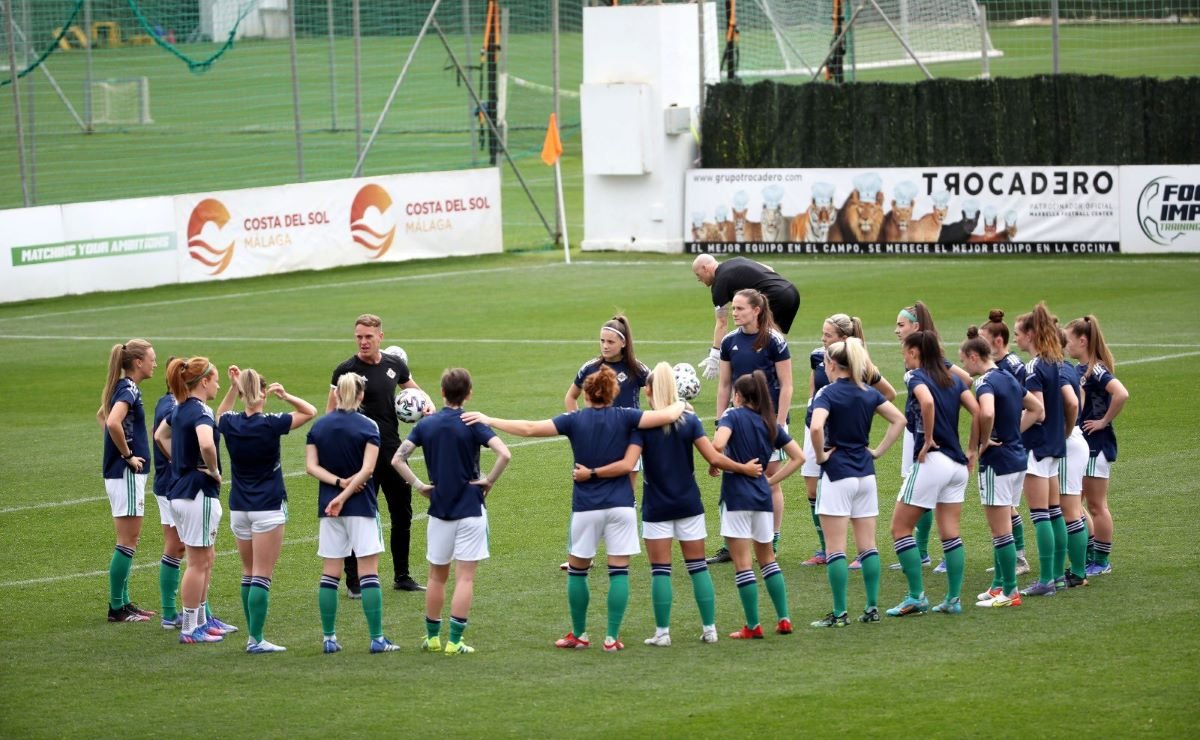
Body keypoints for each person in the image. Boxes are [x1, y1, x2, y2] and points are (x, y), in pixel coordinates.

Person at [462, 365, 687, 652]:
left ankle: (579, 635)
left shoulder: (574, 419)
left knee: (578, 571)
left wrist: (488, 418)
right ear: (612, 393)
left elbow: (529, 428)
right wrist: (680, 401)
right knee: (619, 571)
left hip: (586, 507)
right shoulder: (627, 417)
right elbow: (668, 415)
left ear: (588, 394)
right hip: (621, 506)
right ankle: (611, 638)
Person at [573, 362, 763, 646]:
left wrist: (593, 473)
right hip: (688, 502)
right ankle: (710, 628)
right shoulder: (689, 420)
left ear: (647, 391)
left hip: (657, 505)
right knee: (698, 566)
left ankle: (663, 633)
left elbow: (627, 464)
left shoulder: (643, 426)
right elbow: (714, 457)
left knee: (661, 570)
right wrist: (743, 468)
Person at [391, 368, 512, 656]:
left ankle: (432, 638)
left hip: (439, 508)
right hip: (471, 507)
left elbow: (398, 459)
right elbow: (505, 454)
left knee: (436, 576)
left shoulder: (426, 425)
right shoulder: (472, 422)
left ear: (442, 393)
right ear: (468, 394)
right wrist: (489, 481)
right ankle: (455, 641)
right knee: (465, 577)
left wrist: (420, 486)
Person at [329, 314, 430, 594]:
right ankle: (354, 581)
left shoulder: (394, 364)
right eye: (359, 336)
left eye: (368, 337)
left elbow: (417, 393)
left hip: (392, 452)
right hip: (359, 458)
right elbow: (330, 414)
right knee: (359, 517)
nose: (363, 342)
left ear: (380, 337)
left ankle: (402, 576)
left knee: (402, 514)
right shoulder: (345, 371)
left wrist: (428, 408)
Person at [216, 366, 315, 653]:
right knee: (261, 575)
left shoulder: (231, 423)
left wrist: (234, 388)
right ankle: (256, 639)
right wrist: (286, 396)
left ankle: (253, 635)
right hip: (268, 507)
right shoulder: (271, 423)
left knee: (248, 572)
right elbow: (309, 411)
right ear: (263, 393)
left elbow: (220, 414)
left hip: (239, 507)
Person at [807, 339, 906, 626]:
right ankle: (872, 608)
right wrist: (876, 451)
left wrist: (820, 455)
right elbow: (898, 420)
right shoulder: (868, 393)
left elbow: (815, 426)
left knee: (835, 548)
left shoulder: (827, 393)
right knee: (868, 546)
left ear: (833, 366)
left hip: (837, 475)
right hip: (865, 475)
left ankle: (839, 613)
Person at [306, 372, 401, 654]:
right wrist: (346, 493)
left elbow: (311, 467)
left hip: (329, 507)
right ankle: (376, 638)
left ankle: (329, 638)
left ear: (336, 395)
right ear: (360, 395)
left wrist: (336, 487)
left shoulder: (319, 427)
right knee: (368, 572)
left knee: (330, 574)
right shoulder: (368, 425)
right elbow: (368, 470)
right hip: (360, 507)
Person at [887, 331, 979, 617]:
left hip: (933, 462)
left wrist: (927, 439)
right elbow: (979, 411)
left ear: (915, 352)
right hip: (957, 466)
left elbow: (926, 403)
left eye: (905, 350)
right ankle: (952, 599)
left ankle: (916, 596)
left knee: (900, 529)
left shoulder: (915, 376)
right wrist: (974, 448)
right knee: (950, 533)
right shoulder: (953, 379)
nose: (903, 355)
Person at [712, 370, 805, 639]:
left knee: (743, 563)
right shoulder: (769, 423)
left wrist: (721, 463)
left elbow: (718, 445)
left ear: (738, 396)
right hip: (762, 498)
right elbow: (798, 457)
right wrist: (770, 480)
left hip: (736, 497)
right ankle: (784, 619)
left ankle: (753, 626)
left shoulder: (731, 415)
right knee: (768, 560)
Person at [800, 314, 896, 569]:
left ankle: (850, 552)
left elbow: (889, 393)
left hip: (840, 439)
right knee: (812, 489)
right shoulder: (817, 356)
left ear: (844, 339)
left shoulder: (858, 362)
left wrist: (860, 410)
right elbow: (814, 390)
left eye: (828, 335)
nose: (823, 338)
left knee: (842, 495)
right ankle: (825, 548)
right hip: (814, 429)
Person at [706, 289, 793, 564]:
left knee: (769, 481)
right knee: (735, 477)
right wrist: (721, 420)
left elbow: (787, 384)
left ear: (756, 310)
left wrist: (777, 424)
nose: (735, 313)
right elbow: (724, 385)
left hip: (768, 422)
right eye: (733, 309)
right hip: (736, 422)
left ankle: (772, 539)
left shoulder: (774, 341)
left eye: (740, 309)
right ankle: (731, 543)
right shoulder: (730, 341)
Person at [960, 328, 1042, 608]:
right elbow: (1036, 409)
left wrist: (983, 442)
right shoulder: (1008, 376)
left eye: (963, 361)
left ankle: (1010, 592)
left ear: (973, 357)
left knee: (1000, 530)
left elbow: (987, 412)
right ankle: (998, 586)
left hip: (998, 461)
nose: (963, 367)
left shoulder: (985, 382)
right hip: (1018, 458)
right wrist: (1014, 434)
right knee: (1004, 522)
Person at [890, 301, 973, 574]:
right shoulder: (918, 362)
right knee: (923, 496)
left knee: (917, 497)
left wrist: (927, 436)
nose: (896, 331)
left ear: (915, 328)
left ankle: (921, 553)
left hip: (930, 441)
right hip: (938, 444)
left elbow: (964, 381)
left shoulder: (926, 364)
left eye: (901, 325)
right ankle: (928, 559)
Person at [560, 315, 648, 570]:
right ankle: (579, 553)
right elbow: (570, 396)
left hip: (628, 444)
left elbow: (656, 391)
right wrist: (578, 425)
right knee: (587, 496)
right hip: (596, 444)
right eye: (602, 340)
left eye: (610, 341)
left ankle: (620, 549)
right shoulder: (590, 367)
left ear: (623, 343)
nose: (605, 345)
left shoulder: (637, 369)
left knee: (626, 497)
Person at [156, 356, 233, 644]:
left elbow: (160, 435)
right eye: (215, 379)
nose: (218, 383)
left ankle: (200, 621)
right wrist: (211, 469)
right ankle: (190, 628)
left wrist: (178, 459)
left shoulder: (180, 407)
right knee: (198, 562)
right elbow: (205, 442)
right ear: (204, 381)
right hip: (196, 492)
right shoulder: (199, 411)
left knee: (206, 558)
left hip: (182, 490)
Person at [1014, 303, 1078, 597]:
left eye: (1019, 334)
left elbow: (1036, 411)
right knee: (1054, 512)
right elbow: (1069, 405)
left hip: (1036, 447)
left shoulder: (1035, 367)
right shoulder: (1057, 363)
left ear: (1030, 335)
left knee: (1040, 514)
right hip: (1053, 445)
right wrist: (1063, 431)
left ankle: (1046, 581)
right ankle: (1057, 577)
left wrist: (1013, 431)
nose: (1017, 340)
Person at [98, 339, 158, 623]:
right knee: (127, 540)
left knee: (128, 540)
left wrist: (116, 448)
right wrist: (127, 455)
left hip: (122, 473)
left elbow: (103, 416)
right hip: (126, 474)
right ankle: (117, 608)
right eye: (151, 359)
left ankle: (123, 602)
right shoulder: (129, 388)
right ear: (138, 362)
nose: (154, 364)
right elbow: (111, 422)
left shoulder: (123, 387)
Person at [1066, 315, 1129, 577]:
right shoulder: (1082, 369)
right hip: (1084, 444)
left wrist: (1103, 421)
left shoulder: (1097, 369)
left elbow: (1121, 393)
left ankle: (1101, 560)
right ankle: (1090, 554)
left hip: (1097, 445)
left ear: (1083, 340)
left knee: (1096, 504)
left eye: (1068, 340)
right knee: (1074, 502)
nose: (1065, 345)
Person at [978, 309, 1030, 576]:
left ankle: (1018, 559)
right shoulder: (1000, 369)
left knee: (1007, 508)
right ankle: (1012, 559)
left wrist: (1011, 433)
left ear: (997, 341)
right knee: (1006, 507)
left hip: (1009, 446)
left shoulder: (1011, 368)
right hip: (1011, 445)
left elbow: (1027, 404)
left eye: (984, 340)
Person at [691, 254, 801, 380]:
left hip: (775, 298)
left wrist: (715, 354)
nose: (699, 280)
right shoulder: (736, 260)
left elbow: (722, 322)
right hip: (791, 292)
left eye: (698, 275)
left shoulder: (719, 283)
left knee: (755, 341)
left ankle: (754, 388)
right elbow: (769, 269)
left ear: (705, 268)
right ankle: (770, 384)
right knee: (772, 343)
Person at [150, 359, 188, 629]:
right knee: (191, 548)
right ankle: (188, 613)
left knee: (180, 547)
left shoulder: (168, 403)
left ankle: (171, 613)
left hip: (168, 484)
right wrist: (179, 461)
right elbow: (160, 436)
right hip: (173, 486)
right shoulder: (172, 406)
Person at [1055, 329, 1089, 589]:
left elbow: (1073, 403)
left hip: (1067, 443)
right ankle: (1078, 567)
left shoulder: (1057, 370)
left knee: (1070, 510)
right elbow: (1079, 397)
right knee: (1070, 508)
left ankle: (1078, 572)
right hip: (1073, 439)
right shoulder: (1067, 367)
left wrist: (1066, 430)